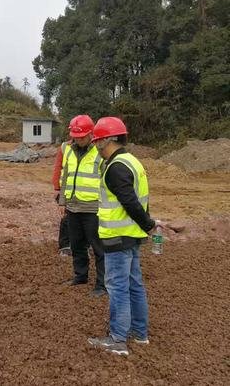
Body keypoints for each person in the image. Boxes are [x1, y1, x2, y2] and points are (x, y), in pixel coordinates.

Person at [87, 116, 161, 356]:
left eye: (97, 141)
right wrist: (147, 226)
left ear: (107, 140)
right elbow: (139, 200)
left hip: (117, 237)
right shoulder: (132, 161)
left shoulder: (115, 168)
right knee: (134, 285)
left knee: (117, 287)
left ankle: (117, 339)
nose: (96, 146)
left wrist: (149, 225)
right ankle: (140, 334)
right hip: (131, 236)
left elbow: (129, 201)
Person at [59, 115, 106, 297]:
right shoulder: (69, 150)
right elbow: (66, 176)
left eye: (81, 137)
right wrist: (63, 201)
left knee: (98, 247)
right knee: (76, 244)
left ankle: (102, 284)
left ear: (91, 134)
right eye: (75, 136)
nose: (78, 140)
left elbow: (106, 180)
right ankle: (80, 276)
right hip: (73, 206)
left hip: (93, 208)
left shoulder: (100, 153)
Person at [52, 140, 71, 256]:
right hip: (66, 190)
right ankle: (65, 245)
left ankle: (84, 244)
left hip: (85, 192)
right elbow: (58, 167)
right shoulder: (65, 147)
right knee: (67, 218)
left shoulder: (94, 148)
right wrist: (57, 188)